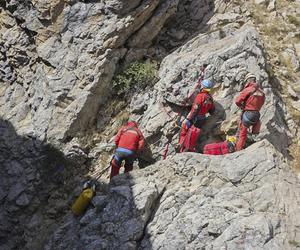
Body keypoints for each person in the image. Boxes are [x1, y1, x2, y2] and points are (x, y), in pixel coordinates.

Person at [179, 79, 215, 151]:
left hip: (195, 118)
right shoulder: (210, 98)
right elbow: (212, 111)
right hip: (202, 119)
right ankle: (190, 147)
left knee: (184, 128)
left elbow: (195, 109)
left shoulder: (200, 96)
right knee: (194, 134)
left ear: (203, 87)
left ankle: (182, 147)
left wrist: (188, 119)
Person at [235, 73, 265, 151]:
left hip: (248, 114)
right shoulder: (261, 92)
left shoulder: (248, 89)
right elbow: (262, 103)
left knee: (242, 134)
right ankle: (254, 143)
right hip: (257, 115)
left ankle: (238, 151)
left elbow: (237, 101)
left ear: (248, 80)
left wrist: (242, 106)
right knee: (254, 133)